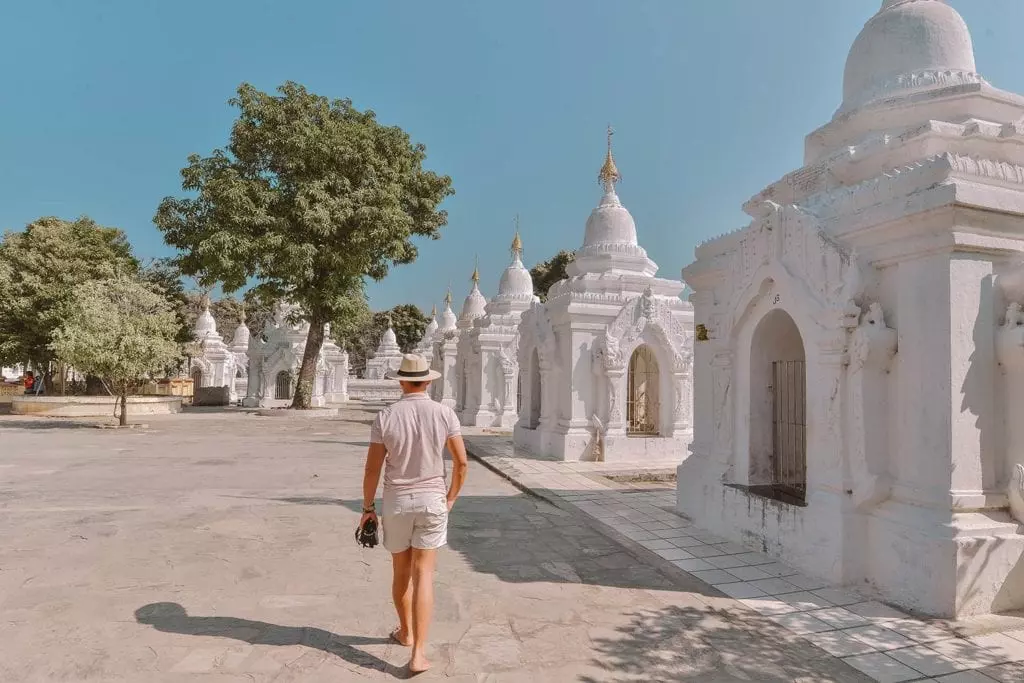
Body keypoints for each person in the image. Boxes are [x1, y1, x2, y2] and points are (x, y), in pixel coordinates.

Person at [359, 353, 468, 675]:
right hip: (433, 500)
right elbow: (461, 463)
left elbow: (372, 469)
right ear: (429, 380)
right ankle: (419, 653)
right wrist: (450, 500)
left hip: (397, 502)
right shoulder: (444, 414)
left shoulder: (386, 416)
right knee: (424, 576)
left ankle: (405, 631)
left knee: (401, 573)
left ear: (401, 382)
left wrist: (368, 509)